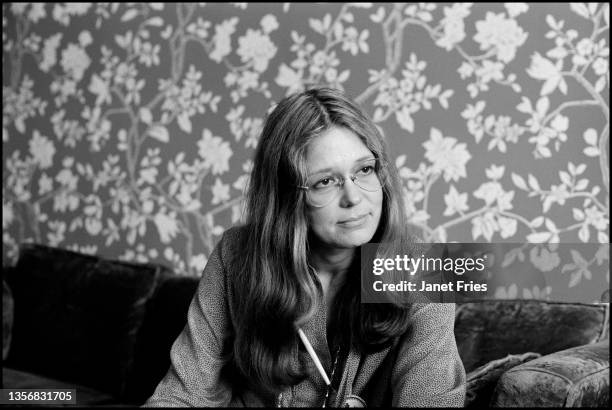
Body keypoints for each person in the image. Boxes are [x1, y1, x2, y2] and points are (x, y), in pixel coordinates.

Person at [143, 87, 466, 407]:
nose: (354, 198)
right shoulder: (236, 253)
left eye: (364, 170)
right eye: (325, 181)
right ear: (286, 197)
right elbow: (182, 394)